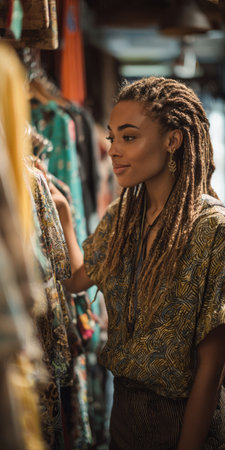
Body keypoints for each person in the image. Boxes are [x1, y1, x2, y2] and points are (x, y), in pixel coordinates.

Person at [50, 76, 225, 449]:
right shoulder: (123, 217)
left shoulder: (213, 229)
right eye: (113, 137)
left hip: (184, 422)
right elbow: (77, 279)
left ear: (172, 140)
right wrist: (63, 216)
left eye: (129, 137)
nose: (112, 149)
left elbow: (211, 368)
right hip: (124, 415)